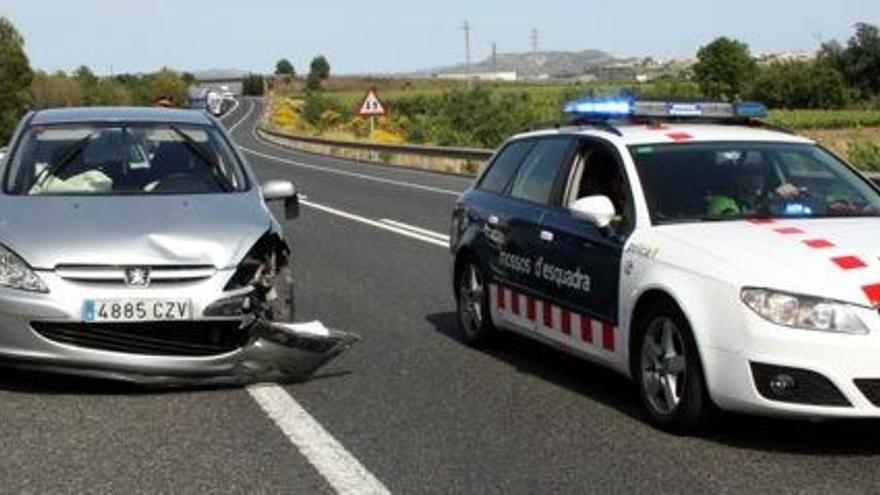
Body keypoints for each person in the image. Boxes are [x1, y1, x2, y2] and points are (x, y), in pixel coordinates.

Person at [707, 162, 801, 216]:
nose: (753, 178)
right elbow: (737, 224)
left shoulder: (762, 200)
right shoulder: (721, 201)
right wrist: (772, 200)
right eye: (746, 173)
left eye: (758, 173)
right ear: (736, 177)